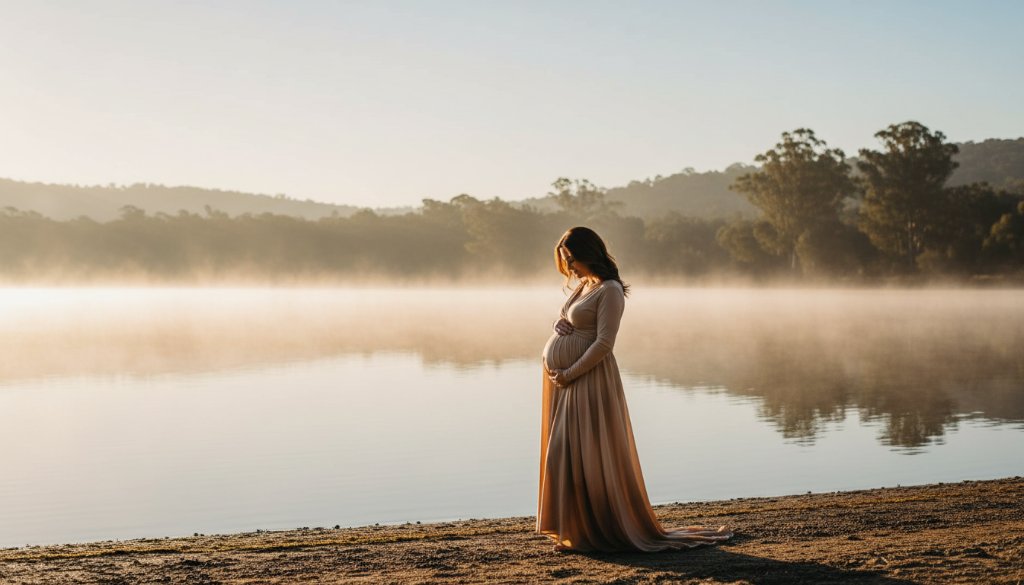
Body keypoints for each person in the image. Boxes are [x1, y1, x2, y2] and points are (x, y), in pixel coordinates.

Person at [537, 226, 733, 552]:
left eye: (572, 259)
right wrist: (558, 324)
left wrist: (570, 372)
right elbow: (570, 320)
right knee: (568, 454)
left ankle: (595, 531)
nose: (570, 267)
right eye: (566, 261)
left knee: (582, 455)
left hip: (588, 380)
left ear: (589, 253)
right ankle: (577, 532)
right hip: (568, 382)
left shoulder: (610, 290)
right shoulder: (586, 285)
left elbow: (604, 343)